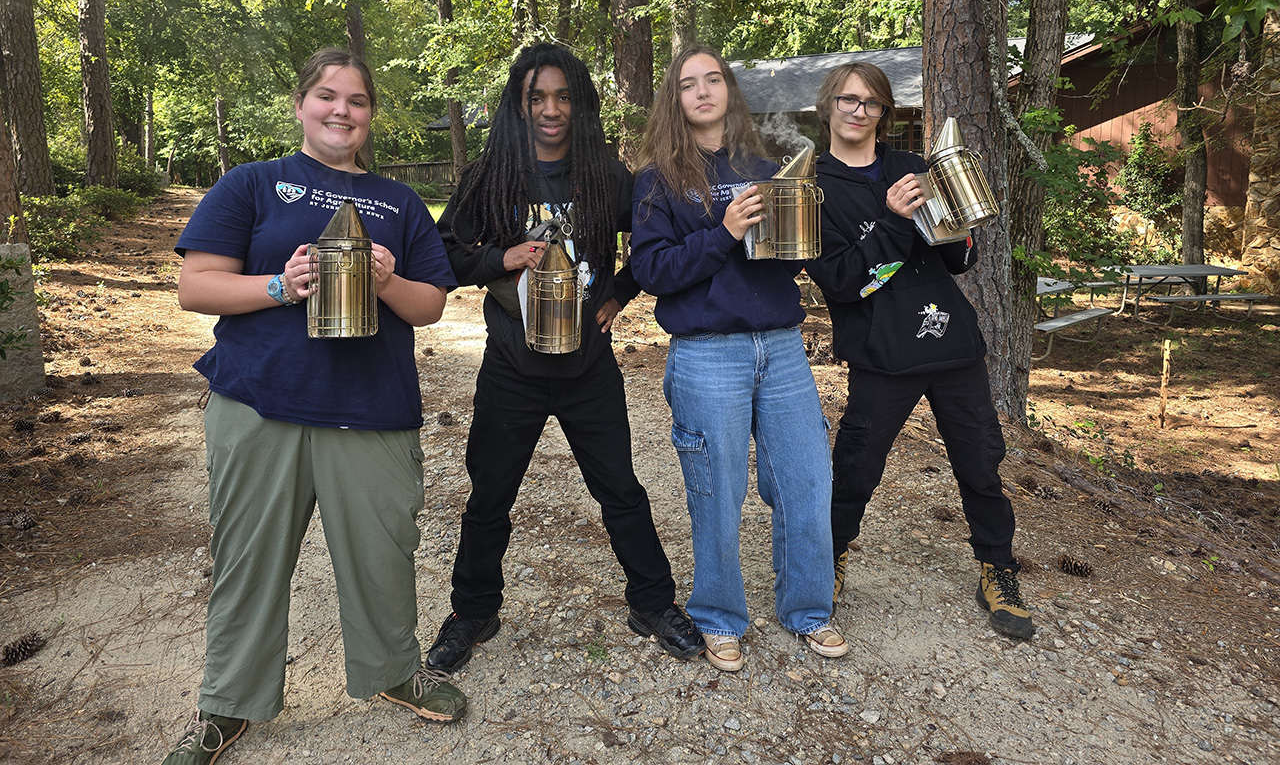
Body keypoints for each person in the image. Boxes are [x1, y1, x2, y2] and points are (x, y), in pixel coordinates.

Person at [164, 48, 465, 765]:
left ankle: (394, 671)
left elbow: (429, 307)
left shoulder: (397, 203)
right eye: (327, 96)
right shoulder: (253, 184)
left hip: (371, 407)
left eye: (356, 100)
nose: (341, 111)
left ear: (370, 115)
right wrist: (281, 284)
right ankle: (227, 704)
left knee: (384, 552)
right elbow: (196, 286)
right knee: (248, 558)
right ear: (301, 105)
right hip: (259, 402)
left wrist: (388, 280)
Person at [427, 42, 702, 673]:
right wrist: (502, 258)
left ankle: (653, 602)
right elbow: (445, 253)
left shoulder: (606, 173)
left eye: (562, 96)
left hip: (588, 369)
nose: (551, 109)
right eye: (537, 98)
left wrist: (620, 292)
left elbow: (657, 244)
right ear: (519, 107)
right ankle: (473, 611)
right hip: (512, 367)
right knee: (489, 494)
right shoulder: (493, 173)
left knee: (622, 491)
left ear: (578, 103)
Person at [629, 44, 848, 673]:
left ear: (729, 90)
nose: (702, 91)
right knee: (716, 491)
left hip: (780, 346)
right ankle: (719, 616)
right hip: (706, 351)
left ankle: (809, 609)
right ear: (674, 100)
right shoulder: (659, 179)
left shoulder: (768, 163)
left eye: (713, 80)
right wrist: (723, 231)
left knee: (806, 480)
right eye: (687, 84)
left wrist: (801, 225)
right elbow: (651, 270)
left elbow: (798, 255)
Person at [804, 61, 1034, 640]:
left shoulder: (911, 168)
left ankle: (997, 566)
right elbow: (844, 281)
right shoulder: (814, 187)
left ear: (885, 113)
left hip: (951, 343)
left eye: (872, 103)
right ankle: (829, 559)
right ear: (828, 105)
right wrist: (895, 220)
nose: (859, 112)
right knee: (856, 465)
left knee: (981, 459)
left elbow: (958, 258)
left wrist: (956, 221)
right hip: (882, 351)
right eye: (849, 100)